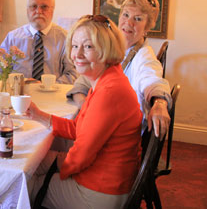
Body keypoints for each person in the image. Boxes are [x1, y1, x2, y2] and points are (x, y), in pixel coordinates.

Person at [27, 15, 142, 209]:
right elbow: (79, 129)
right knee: (33, 163)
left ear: (106, 50)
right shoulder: (107, 79)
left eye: (88, 47)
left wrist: (59, 173)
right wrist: (39, 115)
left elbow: (81, 156)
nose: (77, 54)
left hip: (100, 190)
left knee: (26, 185)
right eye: (74, 46)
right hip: (107, 175)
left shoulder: (109, 92)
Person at [67, 0, 171, 139]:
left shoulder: (144, 56)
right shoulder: (113, 47)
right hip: (102, 123)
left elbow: (152, 79)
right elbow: (82, 83)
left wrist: (160, 103)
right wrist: (86, 107)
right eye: (126, 14)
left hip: (120, 136)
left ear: (147, 27)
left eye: (138, 19)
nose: (128, 23)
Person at [0, 0, 77, 84]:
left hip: (53, 94)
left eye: (44, 7)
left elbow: (73, 73)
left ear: (52, 10)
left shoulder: (66, 38)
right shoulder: (12, 38)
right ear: (27, 10)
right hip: (19, 94)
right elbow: (0, 70)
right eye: (33, 6)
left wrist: (49, 86)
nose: (38, 11)